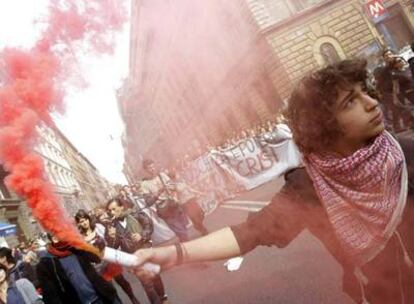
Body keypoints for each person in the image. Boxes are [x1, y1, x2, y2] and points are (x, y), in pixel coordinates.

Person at [132, 59, 414, 304]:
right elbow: (250, 233)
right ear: (323, 124)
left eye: (365, 92)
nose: (372, 103)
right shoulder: (311, 187)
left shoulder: (406, 153)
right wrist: (174, 254)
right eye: (350, 101)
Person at [106, 198, 168, 304]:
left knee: (155, 275)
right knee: (146, 283)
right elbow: (113, 247)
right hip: (133, 257)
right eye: (109, 211)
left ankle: (162, 297)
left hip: (146, 250)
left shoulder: (135, 215)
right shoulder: (112, 227)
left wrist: (142, 235)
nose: (111, 212)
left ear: (121, 207)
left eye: (113, 209)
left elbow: (148, 225)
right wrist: (112, 237)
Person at [75, 209, 141, 304]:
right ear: (79, 224)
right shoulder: (80, 237)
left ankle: (133, 298)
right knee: (110, 289)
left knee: (122, 281)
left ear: (88, 219)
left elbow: (110, 241)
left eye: (85, 219)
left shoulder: (98, 227)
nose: (84, 222)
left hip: (109, 260)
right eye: (81, 221)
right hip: (98, 266)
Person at [36, 234, 120, 304]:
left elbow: (96, 259)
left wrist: (80, 243)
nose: (56, 236)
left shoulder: (77, 248)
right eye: (52, 234)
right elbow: (50, 295)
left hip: (101, 296)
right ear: (50, 238)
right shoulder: (45, 263)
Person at [140, 160, 189, 242]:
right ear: (145, 170)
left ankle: (184, 241)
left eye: (153, 166)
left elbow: (173, 187)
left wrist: (175, 196)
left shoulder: (162, 175)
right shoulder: (144, 184)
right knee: (180, 230)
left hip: (174, 204)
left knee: (183, 225)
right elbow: (148, 202)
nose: (152, 169)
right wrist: (159, 192)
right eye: (149, 168)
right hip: (164, 209)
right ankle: (187, 246)